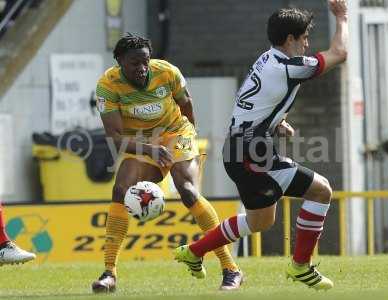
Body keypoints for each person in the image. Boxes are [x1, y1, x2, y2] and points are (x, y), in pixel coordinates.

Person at [174, 0, 348, 291]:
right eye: (304, 38)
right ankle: (301, 267)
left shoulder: (266, 59)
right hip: (251, 153)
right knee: (322, 190)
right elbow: (340, 53)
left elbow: (256, 101)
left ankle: (194, 252)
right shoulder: (288, 66)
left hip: (241, 149)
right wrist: (342, 17)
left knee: (260, 221)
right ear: (290, 39)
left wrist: (275, 123)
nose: (307, 44)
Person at [91, 33, 243, 293]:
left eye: (145, 62)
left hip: (177, 133)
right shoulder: (108, 85)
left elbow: (186, 104)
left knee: (187, 190)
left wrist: (187, 141)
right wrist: (150, 149)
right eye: (133, 63)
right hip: (141, 141)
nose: (141, 69)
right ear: (119, 62)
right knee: (120, 189)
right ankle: (109, 273)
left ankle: (231, 269)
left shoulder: (168, 72)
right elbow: (115, 138)